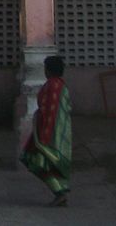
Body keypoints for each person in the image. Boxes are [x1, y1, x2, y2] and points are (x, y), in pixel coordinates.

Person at [21, 55, 72, 207]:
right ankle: (60, 191)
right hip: (58, 131)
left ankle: (60, 192)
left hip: (51, 132)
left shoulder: (53, 86)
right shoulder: (60, 85)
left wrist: (44, 135)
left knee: (40, 162)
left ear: (48, 70)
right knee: (42, 162)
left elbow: (51, 111)